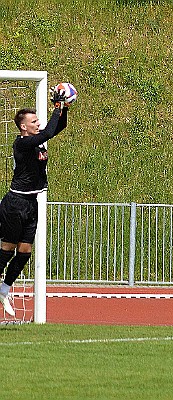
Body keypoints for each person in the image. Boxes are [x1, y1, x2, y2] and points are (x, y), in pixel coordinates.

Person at [0, 89, 69, 317]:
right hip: (15, 203)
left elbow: (58, 128)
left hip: (31, 203)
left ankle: (5, 288)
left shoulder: (37, 142)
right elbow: (49, 131)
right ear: (23, 127)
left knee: (25, 250)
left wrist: (64, 108)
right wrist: (57, 106)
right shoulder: (23, 144)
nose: (38, 123)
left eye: (38, 120)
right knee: (8, 248)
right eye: (34, 121)